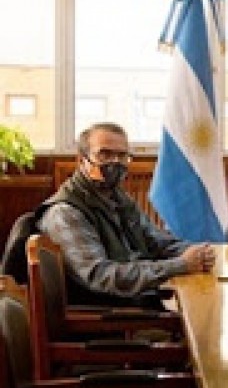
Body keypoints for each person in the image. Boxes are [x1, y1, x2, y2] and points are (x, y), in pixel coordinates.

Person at [37, 122, 213, 305]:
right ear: (82, 160)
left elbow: (157, 242)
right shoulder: (66, 213)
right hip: (109, 316)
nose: (115, 162)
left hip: (141, 300)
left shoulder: (118, 198)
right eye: (105, 154)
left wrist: (200, 253)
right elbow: (100, 276)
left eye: (122, 156)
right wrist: (181, 265)